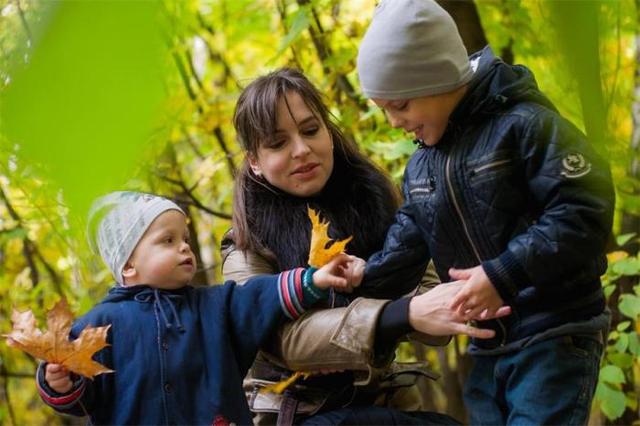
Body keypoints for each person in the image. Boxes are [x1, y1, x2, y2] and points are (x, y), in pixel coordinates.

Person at [356, 1, 615, 425]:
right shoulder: (421, 166)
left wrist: (503, 274)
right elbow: (407, 242)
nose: (392, 121)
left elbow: (584, 209)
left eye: (400, 106)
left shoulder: (524, 125)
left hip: (553, 332)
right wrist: (362, 276)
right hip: (487, 345)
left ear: (436, 78)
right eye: (384, 108)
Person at [225, 67, 510, 425]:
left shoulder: (375, 201)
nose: (301, 150)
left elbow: (428, 289)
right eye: (278, 143)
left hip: (380, 400)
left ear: (328, 132)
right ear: (255, 161)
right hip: (292, 414)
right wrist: (402, 314)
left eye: (311, 130)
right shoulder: (245, 244)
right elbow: (285, 341)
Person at [35, 191, 359, 426]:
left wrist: (313, 279)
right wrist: (59, 382)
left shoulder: (214, 306)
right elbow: (78, 397)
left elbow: (260, 296)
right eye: (168, 240)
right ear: (129, 264)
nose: (184, 246)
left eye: (185, 238)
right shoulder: (99, 325)